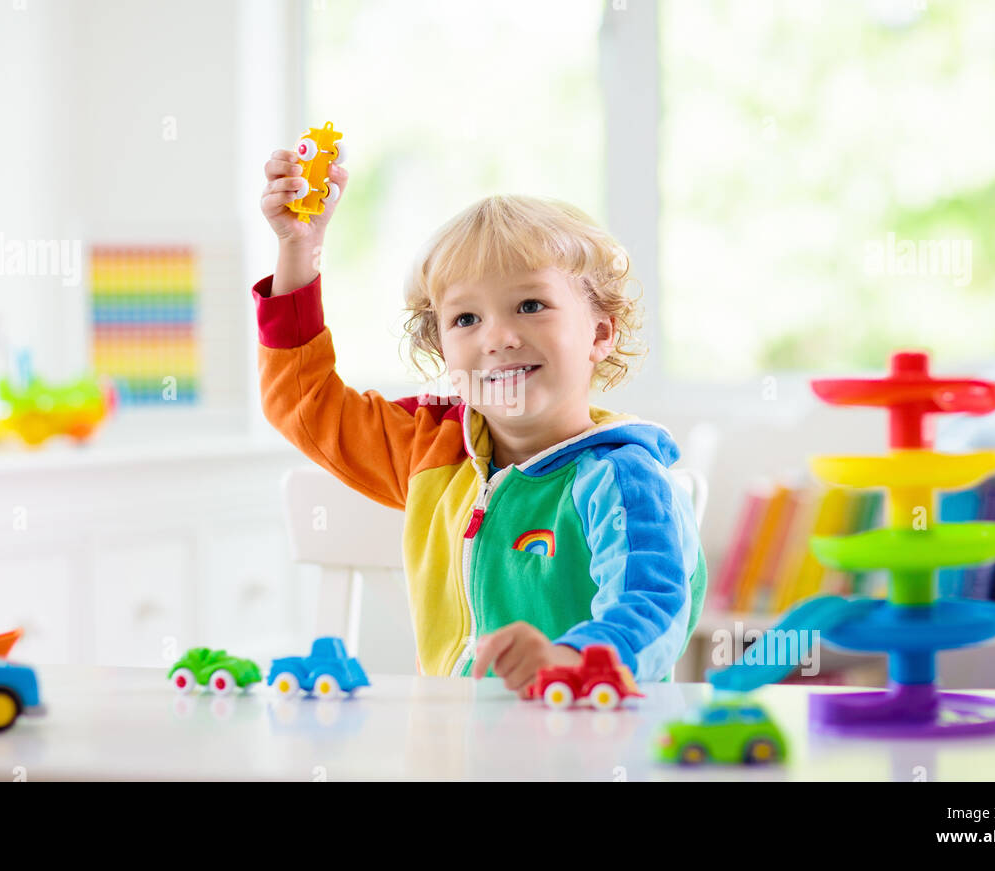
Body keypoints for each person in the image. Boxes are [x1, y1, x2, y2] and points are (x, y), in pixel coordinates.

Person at [254, 145, 706, 696]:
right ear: (441, 345)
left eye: (531, 305)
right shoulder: (430, 447)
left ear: (600, 333)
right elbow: (303, 403)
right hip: (451, 752)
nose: (497, 338)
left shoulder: (623, 478)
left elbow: (652, 609)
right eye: (466, 318)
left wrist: (569, 659)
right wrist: (299, 249)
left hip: (581, 747)